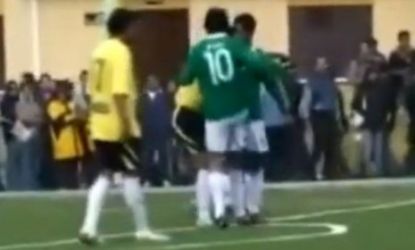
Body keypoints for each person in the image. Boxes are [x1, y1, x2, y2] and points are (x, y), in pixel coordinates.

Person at [178, 8, 284, 228]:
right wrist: (271, 65)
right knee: (237, 162)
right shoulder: (237, 47)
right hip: (241, 113)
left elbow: (184, 78)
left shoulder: (199, 49)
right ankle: (239, 210)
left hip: (213, 112)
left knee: (216, 161)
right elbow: (261, 67)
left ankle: (221, 210)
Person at [78, 9, 169, 245]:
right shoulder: (120, 52)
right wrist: (128, 125)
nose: (138, 31)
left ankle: (89, 227)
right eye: (135, 26)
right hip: (118, 126)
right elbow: (119, 93)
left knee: (106, 174)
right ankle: (142, 228)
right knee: (130, 174)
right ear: (127, 28)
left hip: (100, 123)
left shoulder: (99, 50)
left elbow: (91, 91)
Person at [230, 13, 290, 224]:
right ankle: (238, 210)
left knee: (255, 164)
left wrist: (285, 107)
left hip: (253, 118)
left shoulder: (255, 56)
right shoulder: (227, 55)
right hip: (231, 119)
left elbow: (272, 82)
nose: (235, 35)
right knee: (235, 165)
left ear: (247, 32)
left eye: (237, 31)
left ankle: (253, 208)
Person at [172, 82, 209, 226]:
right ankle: (203, 211)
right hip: (186, 115)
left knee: (212, 161)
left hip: (201, 115)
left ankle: (205, 203)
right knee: (203, 163)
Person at [306, 57, 348, 180]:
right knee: (320, 144)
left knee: (330, 144)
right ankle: (313, 172)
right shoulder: (314, 82)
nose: (323, 67)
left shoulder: (330, 82)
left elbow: (336, 101)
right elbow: (308, 101)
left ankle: (329, 171)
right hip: (319, 114)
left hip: (329, 114)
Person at [47, 81, 87, 189]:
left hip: (75, 146)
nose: (64, 94)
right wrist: (74, 114)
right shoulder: (53, 105)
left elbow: (82, 117)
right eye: (62, 92)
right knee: (65, 174)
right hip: (62, 147)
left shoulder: (70, 104)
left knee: (74, 174)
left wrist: (76, 113)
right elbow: (60, 120)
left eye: (66, 91)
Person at [141, 75, 171, 187]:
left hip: (161, 131)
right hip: (147, 132)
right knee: (147, 156)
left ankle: (165, 178)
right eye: (149, 81)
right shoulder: (142, 98)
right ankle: (147, 179)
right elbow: (139, 115)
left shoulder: (165, 97)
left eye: (154, 81)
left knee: (163, 155)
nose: (152, 83)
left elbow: (168, 114)